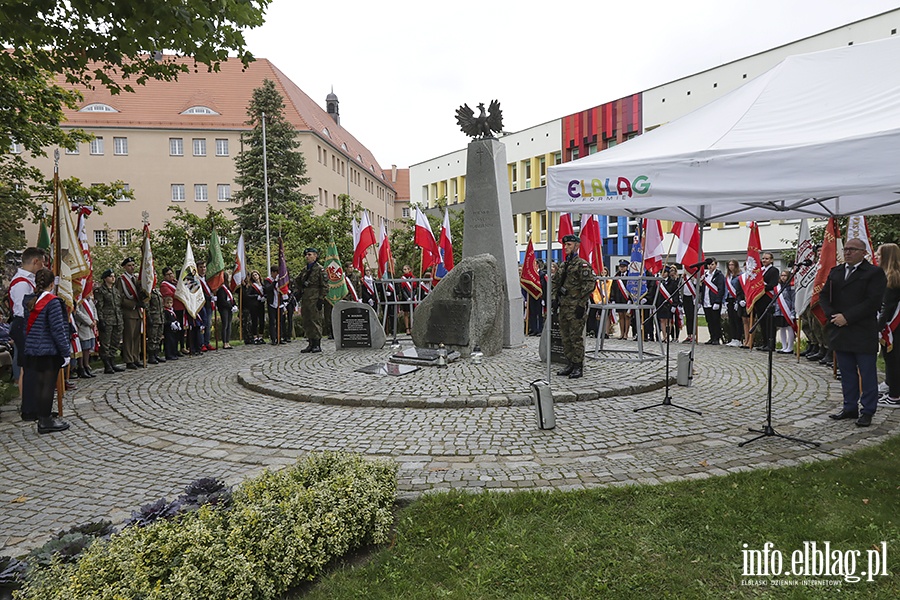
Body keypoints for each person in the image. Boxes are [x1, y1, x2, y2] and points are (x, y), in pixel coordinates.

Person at [819, 238, 887, 427]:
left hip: (861, 330)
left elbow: (872, 302)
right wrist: (833, 316)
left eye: (852, 249)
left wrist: (847, 317)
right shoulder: (836, 271)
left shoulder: (874, 273)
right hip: (839, 330)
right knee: (846, 372)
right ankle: (850, 407)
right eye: (846, 249)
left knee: (867, 373)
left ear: (863, 253)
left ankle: (867, 410)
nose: (847, 252)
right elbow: (824, 296)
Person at [22, 268, 71, 433]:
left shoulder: (31, 301)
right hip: (49, 350)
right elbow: (58, 330)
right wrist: (65, 352)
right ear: (52, 283)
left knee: (40, 384)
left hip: (35, 350)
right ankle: (45, 420)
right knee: (48, 386)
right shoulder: (53, 302)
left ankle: (42, 416)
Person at [552, 234, 596, 379]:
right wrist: (554, 299)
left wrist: (581, 304)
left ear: (577, 246)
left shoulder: (581, 264)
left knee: (575, 337)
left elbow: (589, 285)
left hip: (575, 306)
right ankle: (570, 363)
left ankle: (578, 366)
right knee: (565, 336)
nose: (566, 247)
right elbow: (555, 282)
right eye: (565, 245)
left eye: (569, 245)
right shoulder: (564, 265)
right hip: (564, 306)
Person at [8, 247, 43, 418]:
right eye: (42, 262)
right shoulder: (22, 283)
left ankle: (33, 405)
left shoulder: (28, 280)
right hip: (23, 324)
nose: (43, 266)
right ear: (35, 261)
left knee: (30, 368)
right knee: (29, 368)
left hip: (26, 324)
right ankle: (29, 409)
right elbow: (23, 309)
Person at [876, 243, 900, 408]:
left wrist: (877, 328)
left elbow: (886, 308)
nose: (876, 256)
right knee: (892, 359)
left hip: (893, 326)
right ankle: (891, 385)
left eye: (879, 254)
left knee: (893, 360)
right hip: (894, 325)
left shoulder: (890, 277)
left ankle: (895, 396)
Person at [94, 268, 124, 374]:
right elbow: (99, 307)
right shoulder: (100, 291)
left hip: (117, 319)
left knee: (115, 342)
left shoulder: (115, 290)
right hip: (107, 320)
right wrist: (101, 320)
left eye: (114, 276)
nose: (113, 278)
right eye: (111, 276)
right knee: (105, 343)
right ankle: (107, 364)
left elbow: (119, 305)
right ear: (105, 278)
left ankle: (112, 361)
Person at [298, 247, 326, 353]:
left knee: (315, 321)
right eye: (306, 255)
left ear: (315, 256)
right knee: (307, 321)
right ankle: (310, 343)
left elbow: (324, 285)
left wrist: (321, 299)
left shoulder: (320, 269)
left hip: (315, 298)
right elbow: (298, 280)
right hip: (306, 298)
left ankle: (317, 344)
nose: (307, 257)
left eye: (309, 254)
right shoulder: (305, 269)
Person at [117, 257, 143, 369]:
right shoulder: (121, 280)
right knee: (129, 337)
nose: (132, 267)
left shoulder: (136, 280)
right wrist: (132, 304)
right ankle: (129, 359)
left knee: (137, 337)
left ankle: (136, 357)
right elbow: (120, 297)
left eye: (133, 265)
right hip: (128, 312)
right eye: (129, 265)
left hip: (137, 312)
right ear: (124, 267)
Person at [754, 252, 780, 351]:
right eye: (763, 258)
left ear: (771, 260)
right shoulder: (760, 271)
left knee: (769, 323)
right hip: (760, 299)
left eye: (767, 259)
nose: (764, 260)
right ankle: (764, 343)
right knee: (762, 322)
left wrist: (762, 287)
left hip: (768, 299)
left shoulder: (774, 270)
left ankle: (771, 344)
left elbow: (773, 284)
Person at [160, 267, 186, 354]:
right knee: (174, 330)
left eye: (171, 273)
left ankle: (182, 346)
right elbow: (170, 295)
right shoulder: (164, 285)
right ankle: (174, 349)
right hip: (173, 309)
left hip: (181, 307)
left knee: (181, 328)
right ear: (164, 276)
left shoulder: (175, 283)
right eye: (168, 274)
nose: (171, 276)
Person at [699, 258, 725, 345]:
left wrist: (718, 301)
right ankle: (712, 336)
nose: (710, 266)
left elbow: (721, 289)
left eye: (712, 264)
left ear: (716, 265)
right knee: (709, 320)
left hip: (714, 301)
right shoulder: (705, 275)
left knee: (715, 320)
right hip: (706, 301)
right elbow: (702, 289)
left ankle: (717, 338)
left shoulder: (719, 275)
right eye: (709, 264)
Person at [74, 293, 98, 378]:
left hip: (91, 326)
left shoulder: (89, 300)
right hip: (83, 325)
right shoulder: (80, 299)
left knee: (88, 347)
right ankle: (81, 367)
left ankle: (87, 365)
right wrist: (89, 322)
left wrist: (95, 320)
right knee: (83, 347)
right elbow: (77, 312)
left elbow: (94, 309)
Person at [655, 265, 681, 342]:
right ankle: (664, 336)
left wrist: (674, 305)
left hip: (669, 305)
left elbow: (675, 294)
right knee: (662, 320)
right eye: (661, 272)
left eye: (665, 272)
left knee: (668, 321)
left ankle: (668, 335)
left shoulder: (672, 282)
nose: (663, 274)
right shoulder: (658, 282)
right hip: (660, 304)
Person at [773, 269, 796, 353]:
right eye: (782, 275)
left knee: (789, 328)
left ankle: (790, 347)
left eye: (785, 275)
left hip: (788, 310)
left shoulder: (791, 286)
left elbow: (793, 299)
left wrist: (793, 312)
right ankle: (784, 346)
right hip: (779, 310)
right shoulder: (778, 287)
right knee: (782, 327)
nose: (783, 277)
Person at [724, 260, 744, 347]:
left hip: (737, 299)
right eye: (729, 265)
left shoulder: (740, 275)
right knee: (731, 319)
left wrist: (739, 300)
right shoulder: (728, 276)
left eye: (732, 265)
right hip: (729, 299)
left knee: (737, 320)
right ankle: (733, 338)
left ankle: (738, 338)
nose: (730, 266)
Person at [609, 260, 631, 340]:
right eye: (620, 266)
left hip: (627, 299)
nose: (621, 268)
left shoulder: (630, 276)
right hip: (619, 298)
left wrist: (630, 299)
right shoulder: (617, 276)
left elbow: (632, 288)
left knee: (627, 316)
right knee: (621, 316)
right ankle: (622, 333)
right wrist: (613, 298)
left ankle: (626, 334)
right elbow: (613, 288)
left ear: (626, 267)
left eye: (623, 266)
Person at [196, 262, 215, 351]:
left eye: (204, 267)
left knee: (208, 324)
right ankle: (201, 343)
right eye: (201, 267)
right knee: (202, 324)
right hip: (200, 304)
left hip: (209, 304)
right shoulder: (195, 279)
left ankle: (207, 342)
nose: (203, 269)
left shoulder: (208, 278)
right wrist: (209, 297)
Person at [216, 272, 237, 349]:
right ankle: (224, 342)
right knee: (225, 325)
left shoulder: (227, 287)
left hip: (229, 308)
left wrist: (234, 305)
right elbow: (222, 300)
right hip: (224, 308)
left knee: (229, 325)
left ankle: (228, 341)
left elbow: (231, 298)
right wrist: (230, 306)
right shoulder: (221, 288)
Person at [244, 270, 266, 345]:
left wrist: (264, 297)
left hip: (261, 304)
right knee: (255, 321)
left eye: (256, 275)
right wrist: (256, 297)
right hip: (254, 305)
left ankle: (261, 336)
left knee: (262, 321)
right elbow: (248, 295)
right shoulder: (251, 286)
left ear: (259, 275)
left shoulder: (263, 284)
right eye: (253, 276)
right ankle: (255, 337)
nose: (255, 276)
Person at [146, 284, 165, 364]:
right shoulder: (148, 291)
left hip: (160, 317)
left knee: (158, 337)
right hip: (153, 318)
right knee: (152, 337)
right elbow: (147, 306)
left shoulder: (156, 291)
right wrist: (149, 317)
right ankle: (151, 356)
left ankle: (156, 354)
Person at [162, 295, 181, 361]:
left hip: (173, 329)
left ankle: (174, 353)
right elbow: (165, 320)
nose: (169, 304)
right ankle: (169, 355)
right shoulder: (165, 311)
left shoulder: (172, 311)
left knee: (174, 341)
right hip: (168, 329)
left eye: (170, 303)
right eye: (167, 303)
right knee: (169, 342)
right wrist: (170, 323)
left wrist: (177, 323)